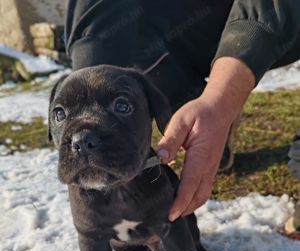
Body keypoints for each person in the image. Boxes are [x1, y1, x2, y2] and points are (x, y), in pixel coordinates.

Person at [65, 0, 300, 234]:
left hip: (286, 17)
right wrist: (95, 124)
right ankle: (200, 129)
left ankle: (220, 114)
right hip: (191, 20)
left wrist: (221, 100)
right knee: (128, 31)